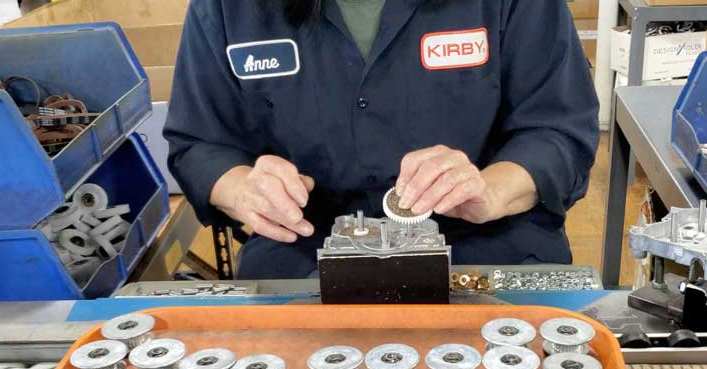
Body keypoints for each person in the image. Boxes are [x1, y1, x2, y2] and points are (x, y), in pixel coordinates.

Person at [164, 0, 599, 279]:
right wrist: (242, 187)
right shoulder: (226, 8)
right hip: (304, 253)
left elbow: (558, 128)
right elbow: (199, 143)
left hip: (486, 248)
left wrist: (493, 189)